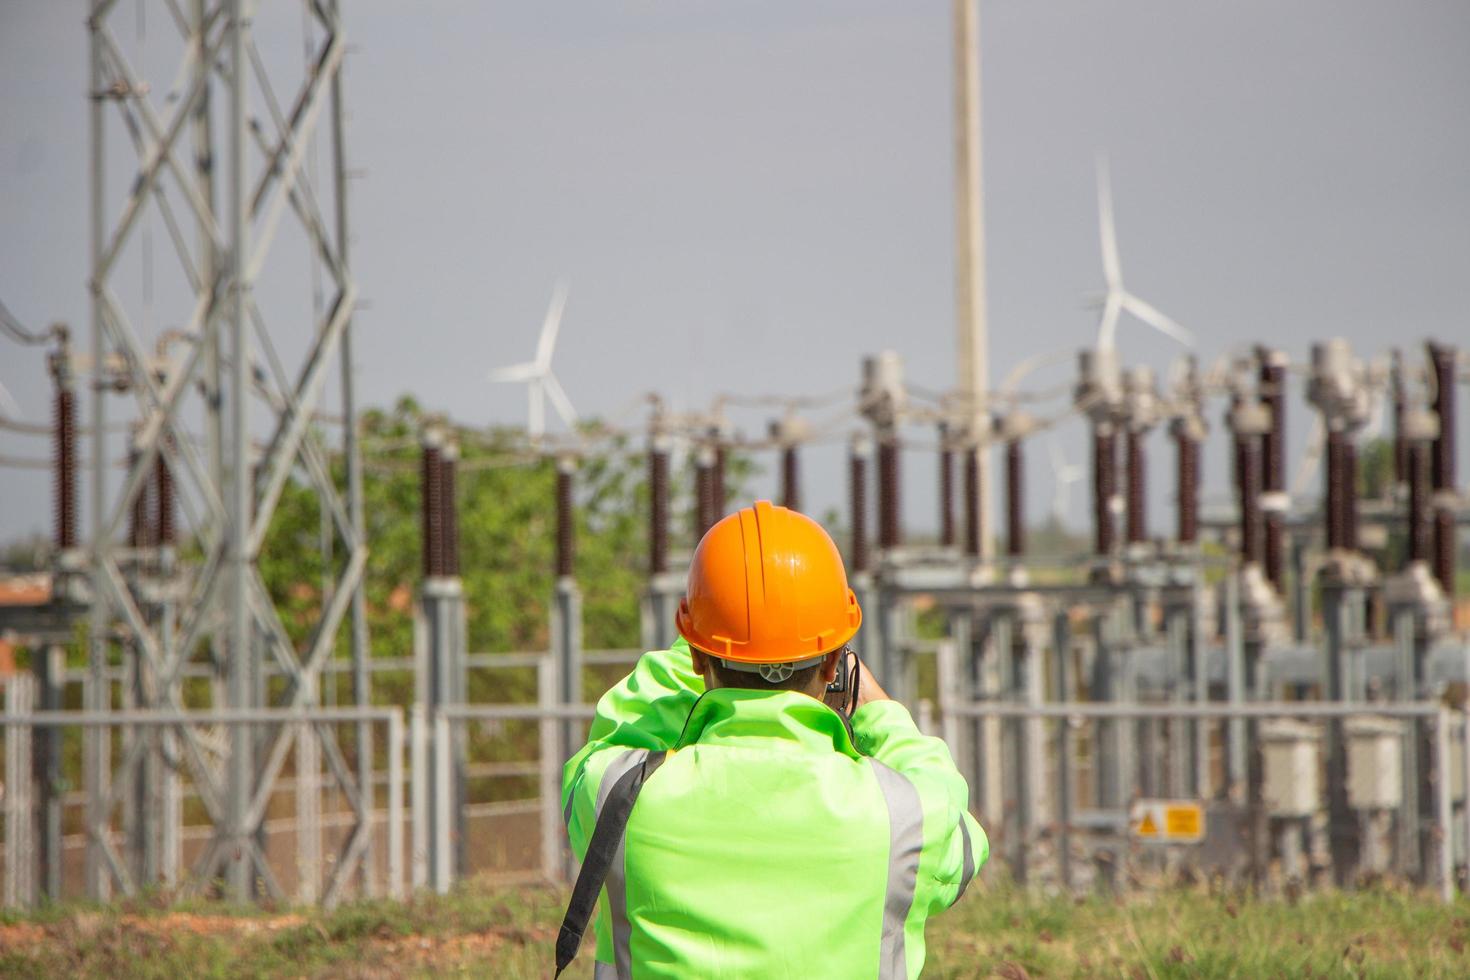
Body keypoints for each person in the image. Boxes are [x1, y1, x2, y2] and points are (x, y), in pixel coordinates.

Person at [559, 500, 986, 979]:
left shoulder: (619, 800)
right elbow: (957, 827)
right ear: (832, 663)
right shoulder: (902, 814)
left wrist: (708, 633)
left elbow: (616, 736)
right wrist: (874, 704)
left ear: (699, 658)